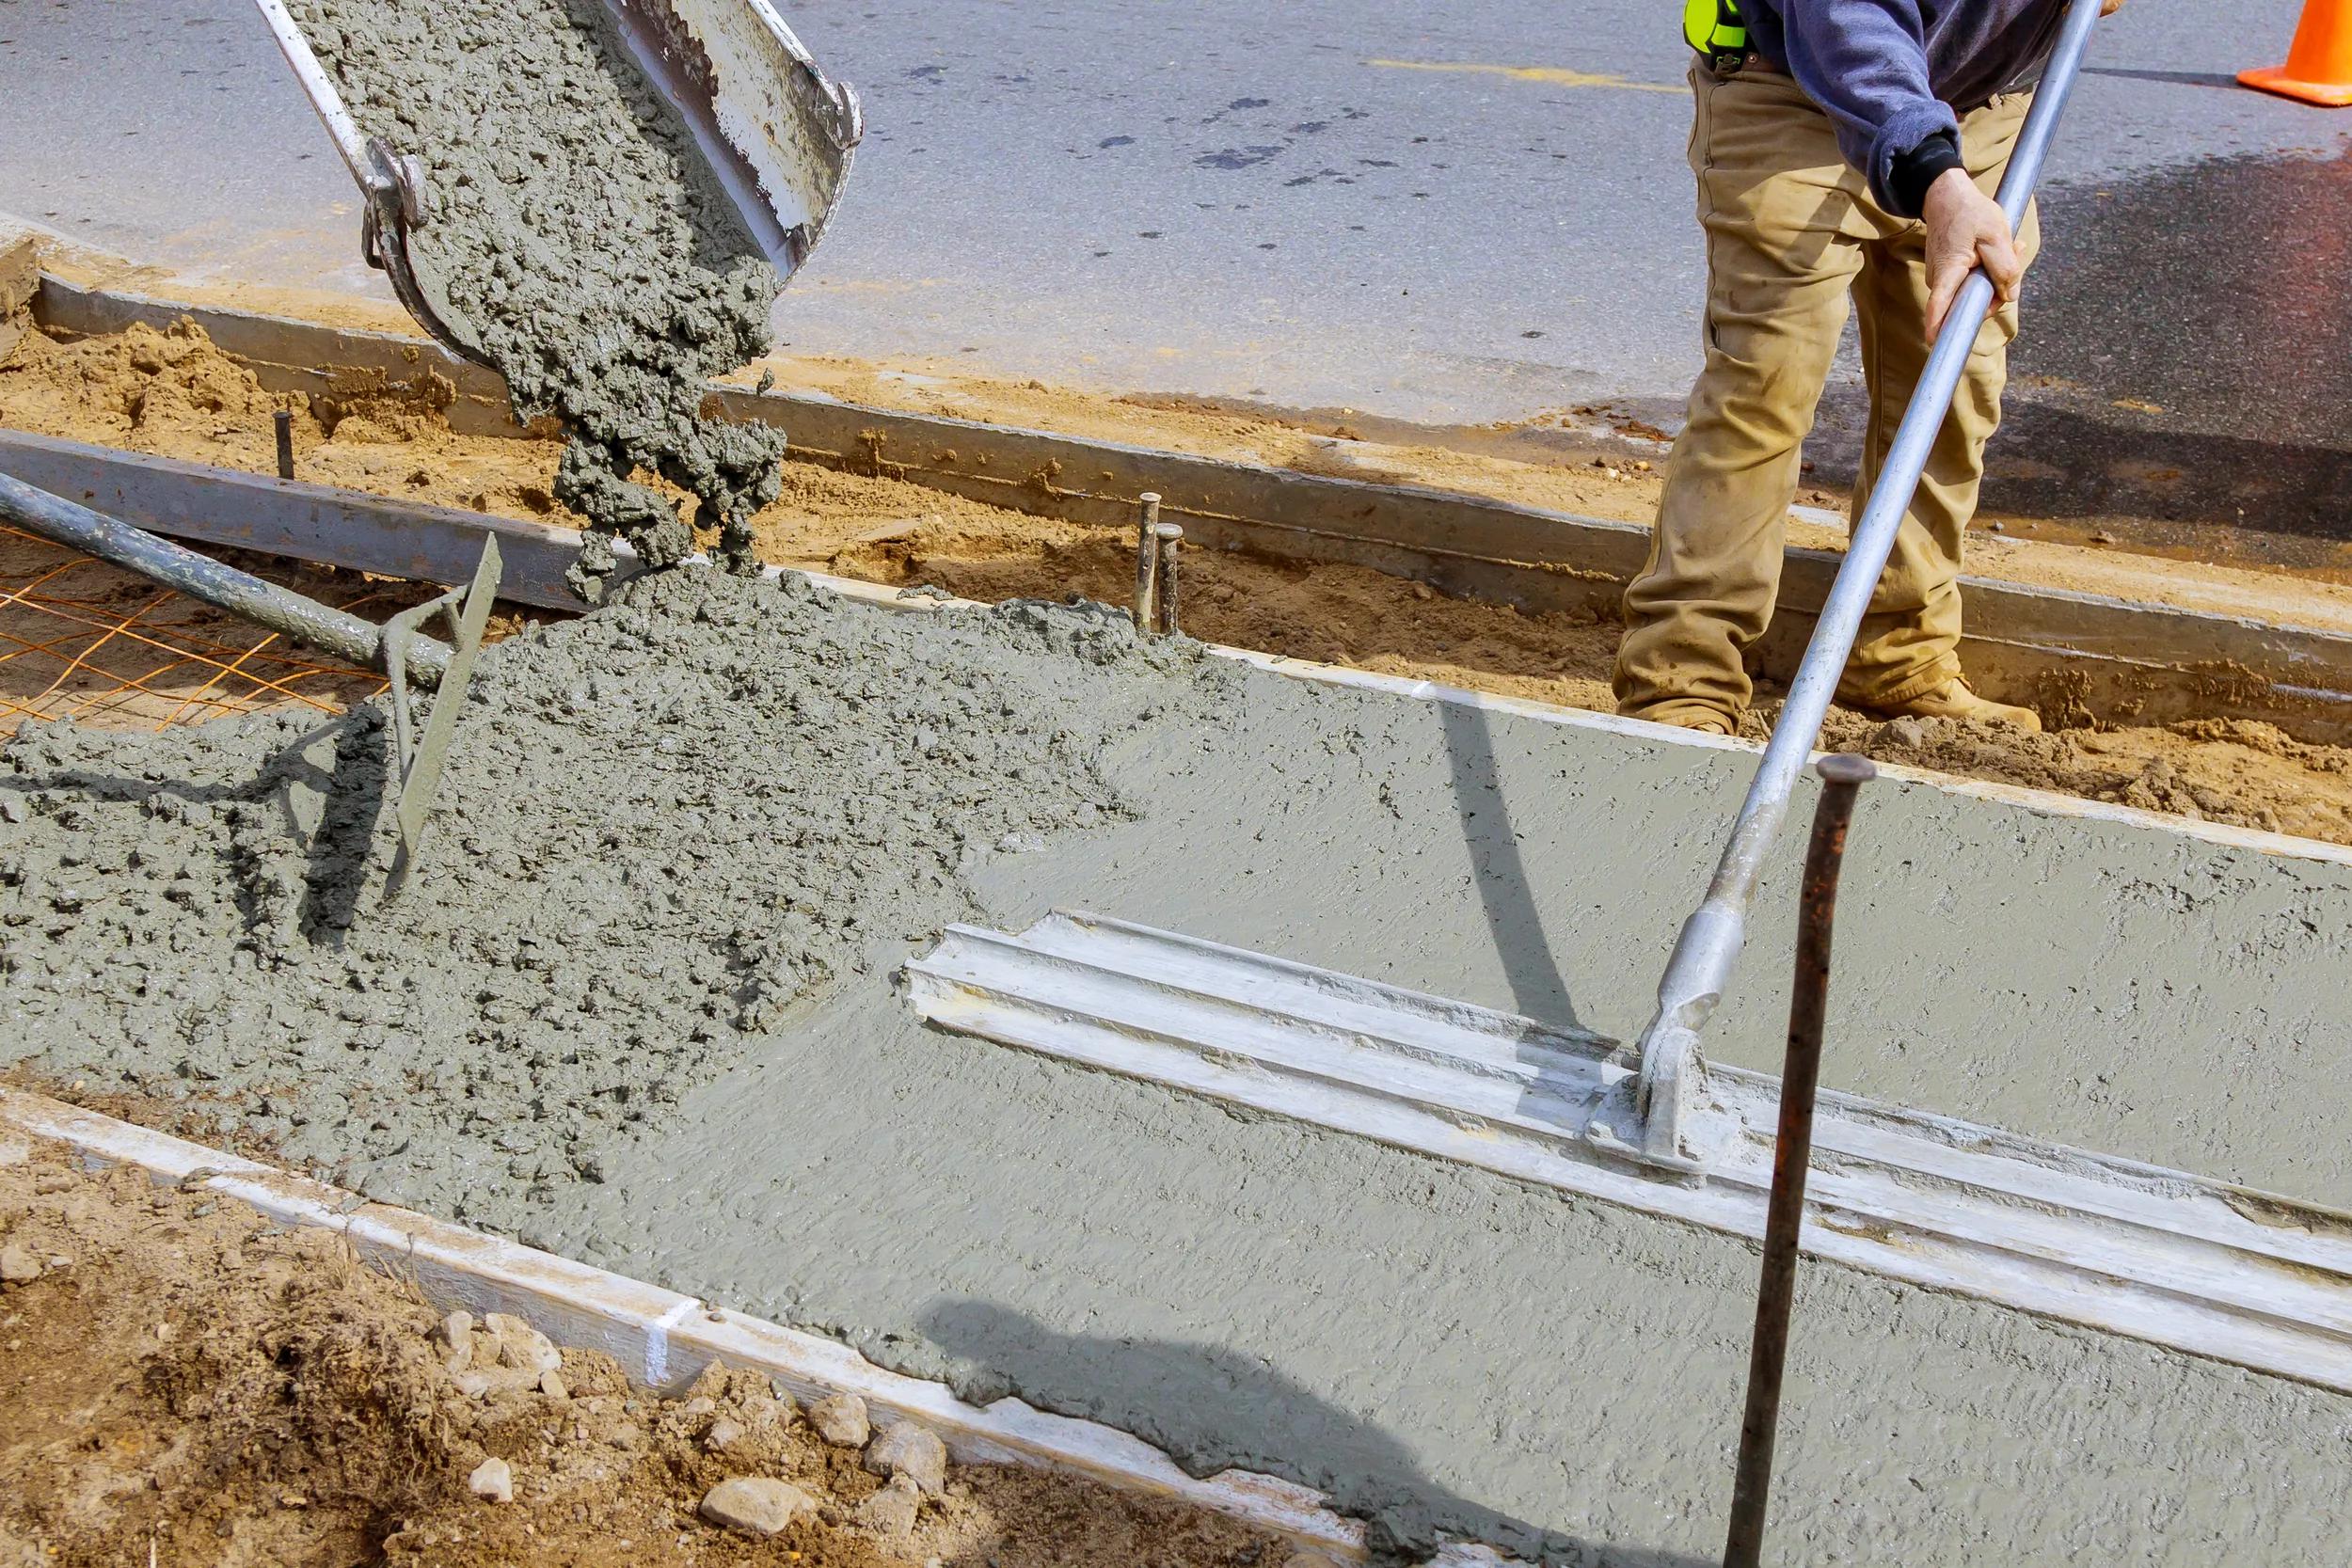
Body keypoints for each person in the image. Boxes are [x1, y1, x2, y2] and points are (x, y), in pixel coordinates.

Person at [1613, 0, 2124, 736]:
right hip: (1799, 91)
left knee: (1953, 387)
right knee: (1765, 386)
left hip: (1981, 112)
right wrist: (1934, 176)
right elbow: (1846, 23)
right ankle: (1681, 678)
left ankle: (1897, 651)